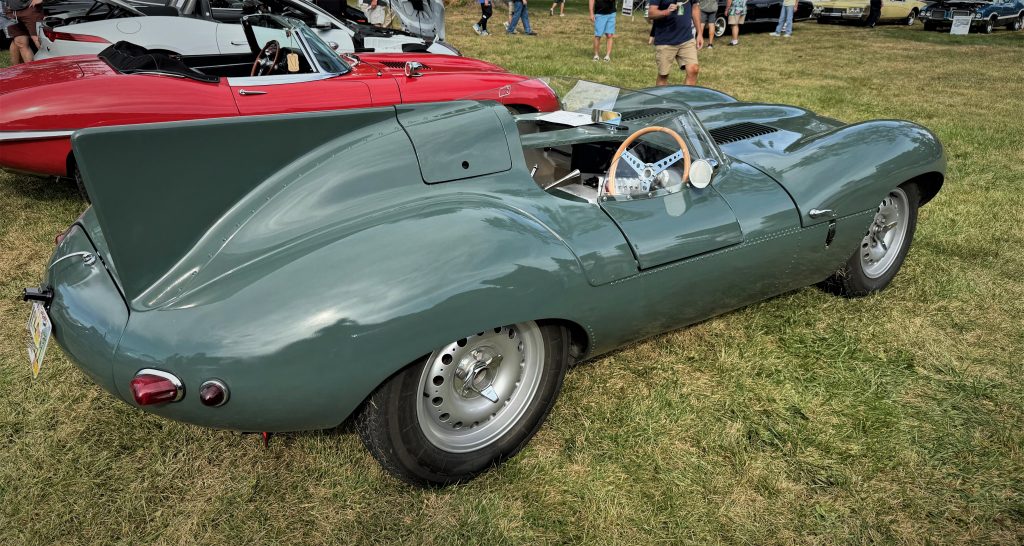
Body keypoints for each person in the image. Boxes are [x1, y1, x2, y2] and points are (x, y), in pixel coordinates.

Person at [649, 0, 703, 86]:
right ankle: (661, 99)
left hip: (686, 38)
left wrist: (699, 33)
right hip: (665, 40)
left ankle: (685, 99)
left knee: (693, 69)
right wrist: (666, 11)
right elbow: (651, 13)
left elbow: (695, 8)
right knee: (663, 75)